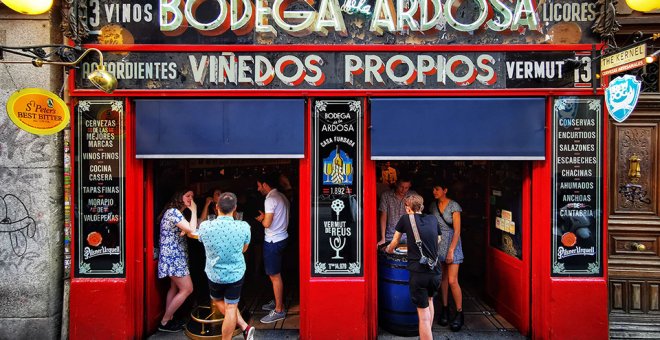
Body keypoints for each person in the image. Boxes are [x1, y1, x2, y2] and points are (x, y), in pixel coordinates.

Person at [198, 192, 255, 340]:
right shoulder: (244, 226)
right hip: (235, 273)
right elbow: (244, 249)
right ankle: (244, 327)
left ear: (216, 207)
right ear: (235, 208)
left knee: (217, 301)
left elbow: (199, 239)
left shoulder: (205, 226)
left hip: (214, 274)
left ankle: (244, 327)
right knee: (231, 307)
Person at [386, 194, 441, 340]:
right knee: (430, 301)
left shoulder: (405, 219)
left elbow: (395, 241)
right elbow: (438, 240)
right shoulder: (433, 219)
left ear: (407, 207)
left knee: (422, 316)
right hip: (435, 271)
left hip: (419, 272)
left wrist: (388, 250)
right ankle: (428, 334)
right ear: (421, 206)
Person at [157, 189, 198, 332]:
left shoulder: (175, 212)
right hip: (174, 258)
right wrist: (194, 210)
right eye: (187, 196)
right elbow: (192, 230)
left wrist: (187, 228)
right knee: (187, 289)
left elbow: (190, 228)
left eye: (192, 196)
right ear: (178, 197)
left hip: (173, 257)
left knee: (174, 288)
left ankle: (169, 319)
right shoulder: (173, 212)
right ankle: (165, 320)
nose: (190, 199)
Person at [429, 181, 464, 332]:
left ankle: (459, 312)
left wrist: (451, 250)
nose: (434, 191)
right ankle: (444, 308)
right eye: (433, 189)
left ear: (445, 190)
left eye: (437, 189)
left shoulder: (454, 206)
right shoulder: (432, 206)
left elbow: (457, 230)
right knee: (442, 279)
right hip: (438, 243)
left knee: (452, 280)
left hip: (452, 243)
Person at [256, 173, 290, 323]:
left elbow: (267, 224)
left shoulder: (270, 199)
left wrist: (263, 218)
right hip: (283, 237)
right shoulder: (282, 196)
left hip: (273, 240)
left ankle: (279, 309)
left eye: (259, 185)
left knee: (274, 276)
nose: (258, 189)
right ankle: (278, 301)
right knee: (277, 274)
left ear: (265, 184)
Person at [378, 176, 416, 245]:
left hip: (408, 236)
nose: (403, 190)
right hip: (390, 236)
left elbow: (417, 215)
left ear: (410, 186)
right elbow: (383, 216)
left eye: (406, 188)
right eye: (401, 187)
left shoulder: (413, 195)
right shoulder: (386, 196)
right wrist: (383, 238)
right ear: (396, 184)